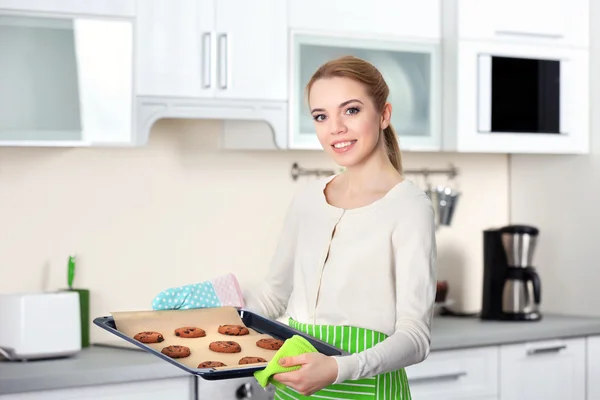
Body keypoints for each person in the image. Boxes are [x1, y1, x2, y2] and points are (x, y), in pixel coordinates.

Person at [243, 55, 438, 399]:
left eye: (350, 110)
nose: (335, 128)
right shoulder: (307, 199)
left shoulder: (409, 208)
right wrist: (209, 312)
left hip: (366, 389)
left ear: (384, 115)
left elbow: (415, 338)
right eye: (321, 116)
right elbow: (271, 298)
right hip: (294, 391)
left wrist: (337, 369)